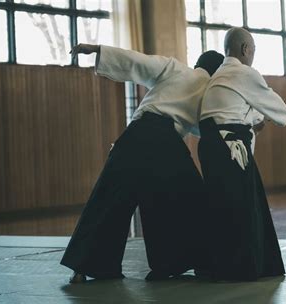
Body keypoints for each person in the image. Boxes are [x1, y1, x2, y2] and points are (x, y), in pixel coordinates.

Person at [60, 44, 224, 283]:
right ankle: (188, 264)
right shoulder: (210, 92)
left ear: (198, 64)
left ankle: (82, 268)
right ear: (216, 73)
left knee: (108, 198)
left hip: (137, 133)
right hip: (167, 141)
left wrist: (96, 49)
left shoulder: (176, 69)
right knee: (190, 198)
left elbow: (138, 61)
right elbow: (208, 127)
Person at [198, 27, 286, 281]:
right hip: (230, 145)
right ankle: (243, 267)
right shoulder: (243, 72)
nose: (253, 56)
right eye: (254, 50)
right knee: (244, 205)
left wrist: (255, 124)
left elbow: (240, 110)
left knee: (222, 203)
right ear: (245, 49)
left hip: (212, 145)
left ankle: (220, 265)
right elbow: (266, 97)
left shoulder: (220, 76)